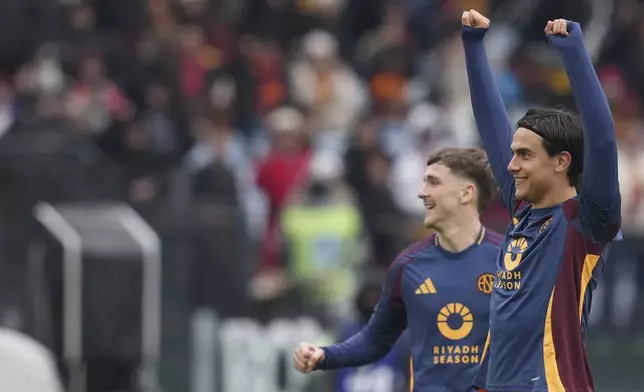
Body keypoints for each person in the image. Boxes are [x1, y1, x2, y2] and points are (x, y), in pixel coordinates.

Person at [461, 10, 621, 392]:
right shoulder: (522, 211)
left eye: (525, 155)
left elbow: (601, 139)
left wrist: (574, 55)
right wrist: (473, 45)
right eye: (513, 153)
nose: (510, 165)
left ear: (562, 161)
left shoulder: (585, 220)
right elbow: (490, 122)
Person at [293, 147, 504, 392]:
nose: (421, 192)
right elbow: (375, 340)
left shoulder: (509, 260)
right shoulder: (408, 265)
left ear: (466, 193)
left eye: (433, 183)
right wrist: (324, 355)